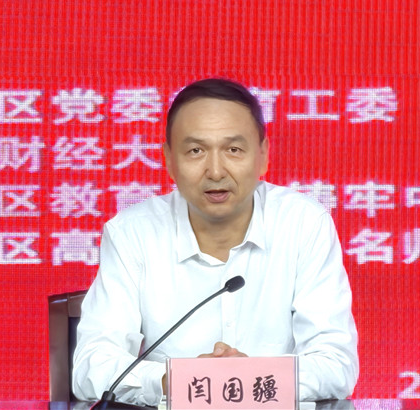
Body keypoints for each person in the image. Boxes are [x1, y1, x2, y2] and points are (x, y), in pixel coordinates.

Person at [72, 78, 359, 405]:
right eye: (195, 151)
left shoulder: (303, 224)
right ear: (169, 160)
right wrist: (177, 380)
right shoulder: (132, 233)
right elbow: (91, 367)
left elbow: (336, 364)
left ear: (263, 155)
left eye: (233, 150)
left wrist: (251, 378)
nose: (216, 171)